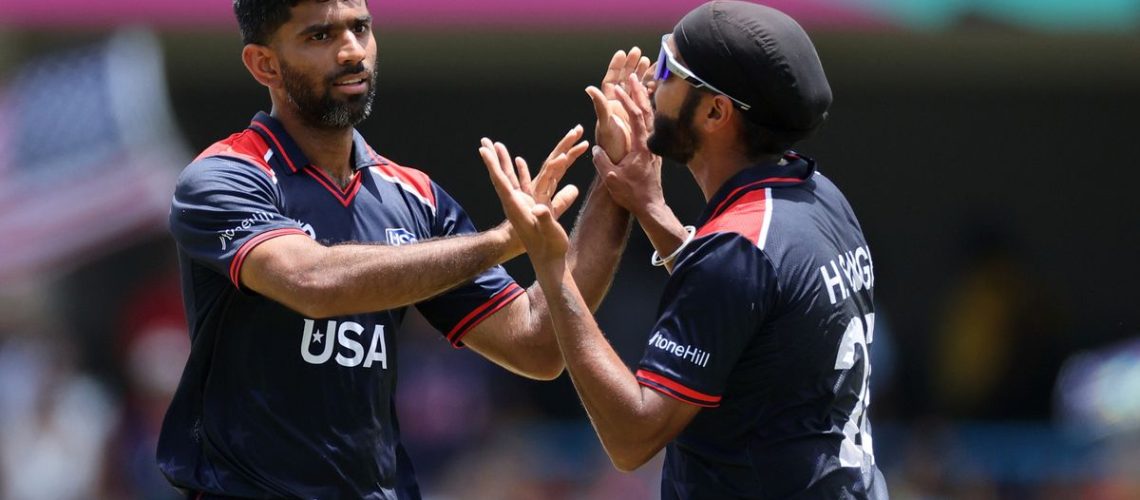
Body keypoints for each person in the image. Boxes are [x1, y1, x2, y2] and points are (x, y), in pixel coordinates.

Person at [157, 0, 641, 498]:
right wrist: (502, 243)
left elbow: (537, 343)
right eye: (319, 36)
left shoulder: (416, 199)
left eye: (360, 28)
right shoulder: (225, 177)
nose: (351, 51)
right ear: (265, 64)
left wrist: (616, 182)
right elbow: (312, 282)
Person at [482, 1, 888, 498]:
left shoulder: (736, 253)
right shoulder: (820, 196)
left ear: (716, 111)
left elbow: (632, 439)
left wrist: (552, 268)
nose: (651, 81)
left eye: (670, 68)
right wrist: (650, 208)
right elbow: (751, 308)